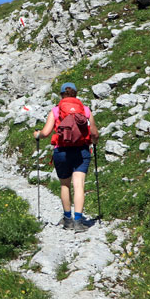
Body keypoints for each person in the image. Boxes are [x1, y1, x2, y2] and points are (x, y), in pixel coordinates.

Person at [33, 82, 98, 232]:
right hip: (81, 151)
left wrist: (37, 135)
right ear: (75, 94)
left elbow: (46, 132)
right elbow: (94, 134)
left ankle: (67, 219)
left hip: (61, 151)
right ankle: (78, 221)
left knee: (65, 185)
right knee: (79, 185)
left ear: (62, 95)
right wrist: (94, 142)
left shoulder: (56, 111)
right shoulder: (86, 110)